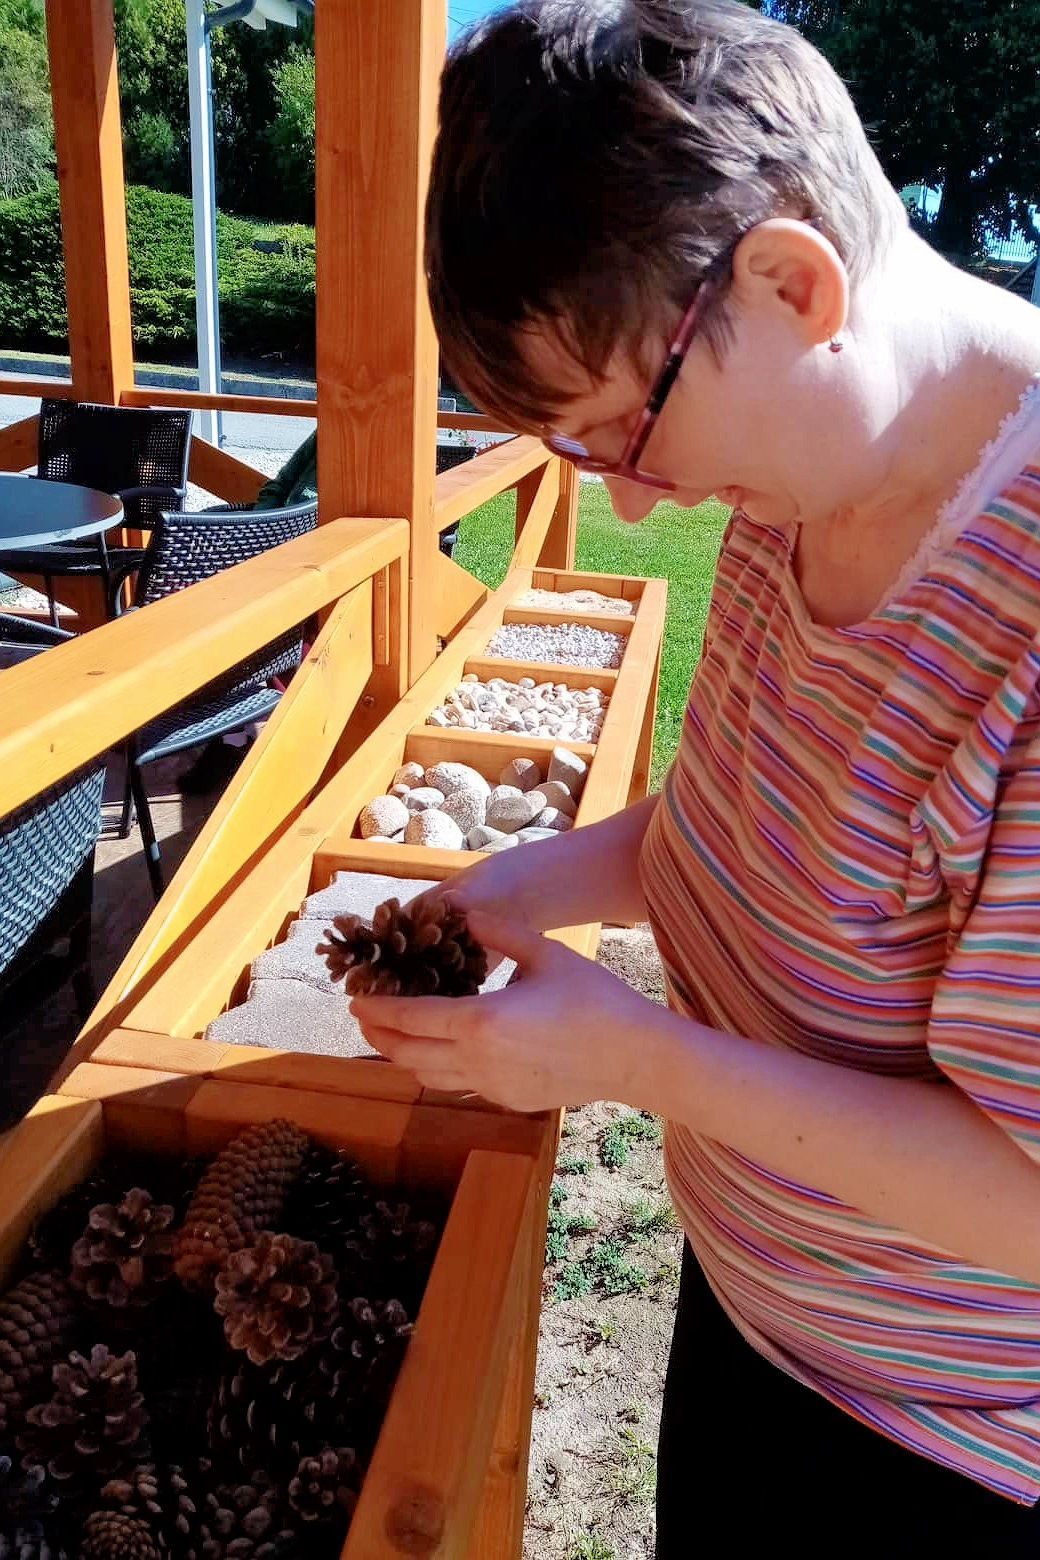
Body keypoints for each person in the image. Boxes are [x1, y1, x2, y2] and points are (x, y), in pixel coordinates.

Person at [350, 0, 1040, 1550]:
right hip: (752, 1307)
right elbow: (753, 810)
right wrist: (521, 885)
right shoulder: (802, 473)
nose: (638, 505)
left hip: (940, 1447)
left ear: (792, 285)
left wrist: (633, 1061)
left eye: (627, 433)